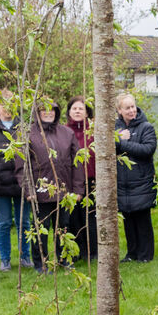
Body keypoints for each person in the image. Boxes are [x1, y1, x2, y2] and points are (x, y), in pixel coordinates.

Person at [21, 98, 83, 270]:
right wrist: (28, 190)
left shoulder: (67, 133)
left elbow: (77, 163)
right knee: (41, 229)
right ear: (37, 113)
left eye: (52, 109)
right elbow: (22, 165)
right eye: (44, 110)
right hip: (40, 192)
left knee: (63, 228)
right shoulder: (28, 134)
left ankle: (63, 260)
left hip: (64, 191)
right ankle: (41, 263)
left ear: (56, 112)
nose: (48, 112)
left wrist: (78, 189)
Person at [0, 89, 32, 272]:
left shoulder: (24, 126)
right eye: (4, 103)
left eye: (12, 102)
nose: (8, 107)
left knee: (24, 222)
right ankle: (5, 259)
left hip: (21, 183)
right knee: (3, 223)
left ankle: (25, 256)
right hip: (0, 184)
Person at [114, 93, 157, 263]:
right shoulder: (115, 128)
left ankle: (146, 255)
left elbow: (147, 150)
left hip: (141, 180)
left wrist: (122, 143)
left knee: (142, 219)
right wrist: (117, 140)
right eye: (127, 108)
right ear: (119, 110)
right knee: (128, 220)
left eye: (133, 106)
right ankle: (132, 253)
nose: (131, 110)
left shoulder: (146, 127)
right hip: (122, 182)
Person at [66, 97, 97, 261]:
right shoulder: (64, 132)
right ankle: (76, 251)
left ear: (87, 112)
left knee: (91, 218)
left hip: (92, 182)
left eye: (81, 109)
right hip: (71, 183)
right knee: (73, 219)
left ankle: (92, 252)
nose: (77, 111)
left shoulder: (93, 131)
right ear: (69, 112)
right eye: (74, 108)